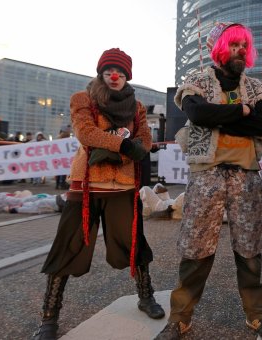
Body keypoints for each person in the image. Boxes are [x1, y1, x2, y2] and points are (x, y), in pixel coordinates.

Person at [155, 22, 262, 340]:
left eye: (243, 45)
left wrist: (221, 117)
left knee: (250, 250)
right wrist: (241, 112)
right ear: (221, 48)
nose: (240, 50)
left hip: (247, 176)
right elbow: (197, 115)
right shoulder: (197, 80)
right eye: (233, 44)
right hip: (206, 174)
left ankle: (257, 314)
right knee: (196, 249)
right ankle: (180, 317)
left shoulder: (256, 86)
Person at [32, 48, 164, 340]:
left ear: (127, 75)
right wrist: (124, 146)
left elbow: (144, 138)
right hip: (86, 186)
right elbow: (86, 133)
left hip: (123, 187)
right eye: (108, 72)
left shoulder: (137, 106)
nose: (114, 77)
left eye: (120, 72)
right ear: (101, 74)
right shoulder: (83, 99)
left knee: (134, 245)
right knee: (67, 246)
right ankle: (49, 317)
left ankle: (146, 296)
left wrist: (132, 147)